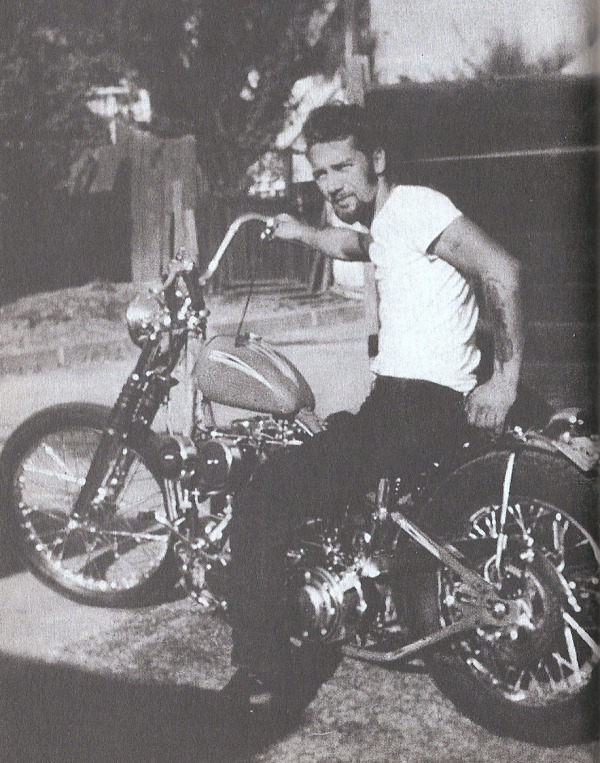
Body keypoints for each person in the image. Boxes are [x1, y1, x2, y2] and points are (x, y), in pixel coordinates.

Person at [225, 103, 524, 710]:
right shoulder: (391, 220)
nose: (331, 184)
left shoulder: (416, 205)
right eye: (321, 173)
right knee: (330, 442)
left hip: (416, 407)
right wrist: (301, 232)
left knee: (262, 493)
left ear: (377, 160)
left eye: (343, 167)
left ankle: (261, 668)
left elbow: (503, 271)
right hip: (399, 404)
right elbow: (359, 244)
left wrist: (506, 379)